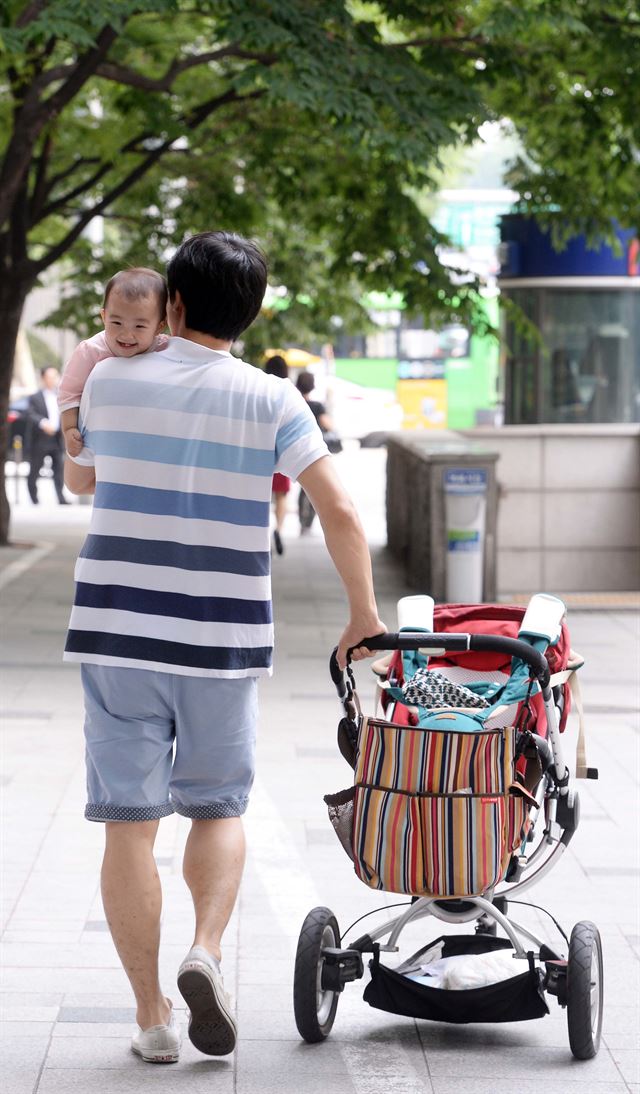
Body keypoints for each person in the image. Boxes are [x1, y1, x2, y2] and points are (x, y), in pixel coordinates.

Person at [64, 230, 385, 1066]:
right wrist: (362, 616)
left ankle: (151, 1018)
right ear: (251, 313)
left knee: (128, 826)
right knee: (217, 807)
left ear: (171, 303)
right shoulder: (272, 400)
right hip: (221, 635)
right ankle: (205, 948)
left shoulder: (109, 380)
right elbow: (343, 513)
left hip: (118, 630)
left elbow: (84, 477)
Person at [58, 267, 168, 456]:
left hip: (146, 437)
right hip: (101, 439)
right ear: (104, 317)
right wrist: (69, 429)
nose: (126, 334)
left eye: (140, 326)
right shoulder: (90, 352)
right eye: (116, 323)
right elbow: (69, 393)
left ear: (159, 326)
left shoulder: (165, 350)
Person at [295, 370, 335, 533]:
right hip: (312, 452)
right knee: (311, 488)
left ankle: (301, 519)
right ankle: (308, 521)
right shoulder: (317, 406)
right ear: (312, 386)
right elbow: (328, 425)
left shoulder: (295, 403)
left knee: (301, 487)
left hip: (295, 449)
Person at [26, 366, 68, 504]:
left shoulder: (61, 395)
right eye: (50, 377)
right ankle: (34, 498)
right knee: (35, 469)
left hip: (56, 439)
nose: (53, 380)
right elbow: (30, 414)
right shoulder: (35, 397)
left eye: (55, 376)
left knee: (59, 469)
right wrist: (43, 423)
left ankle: (61, 498)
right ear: (43, 378)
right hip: (40, 439)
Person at [264, 354, 290, 555]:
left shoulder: (261, 392)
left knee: (261, 498)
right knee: (281, 497)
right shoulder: (288, 394)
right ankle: (279, 529)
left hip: (260, 455)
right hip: (281, 455)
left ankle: (263, 536)